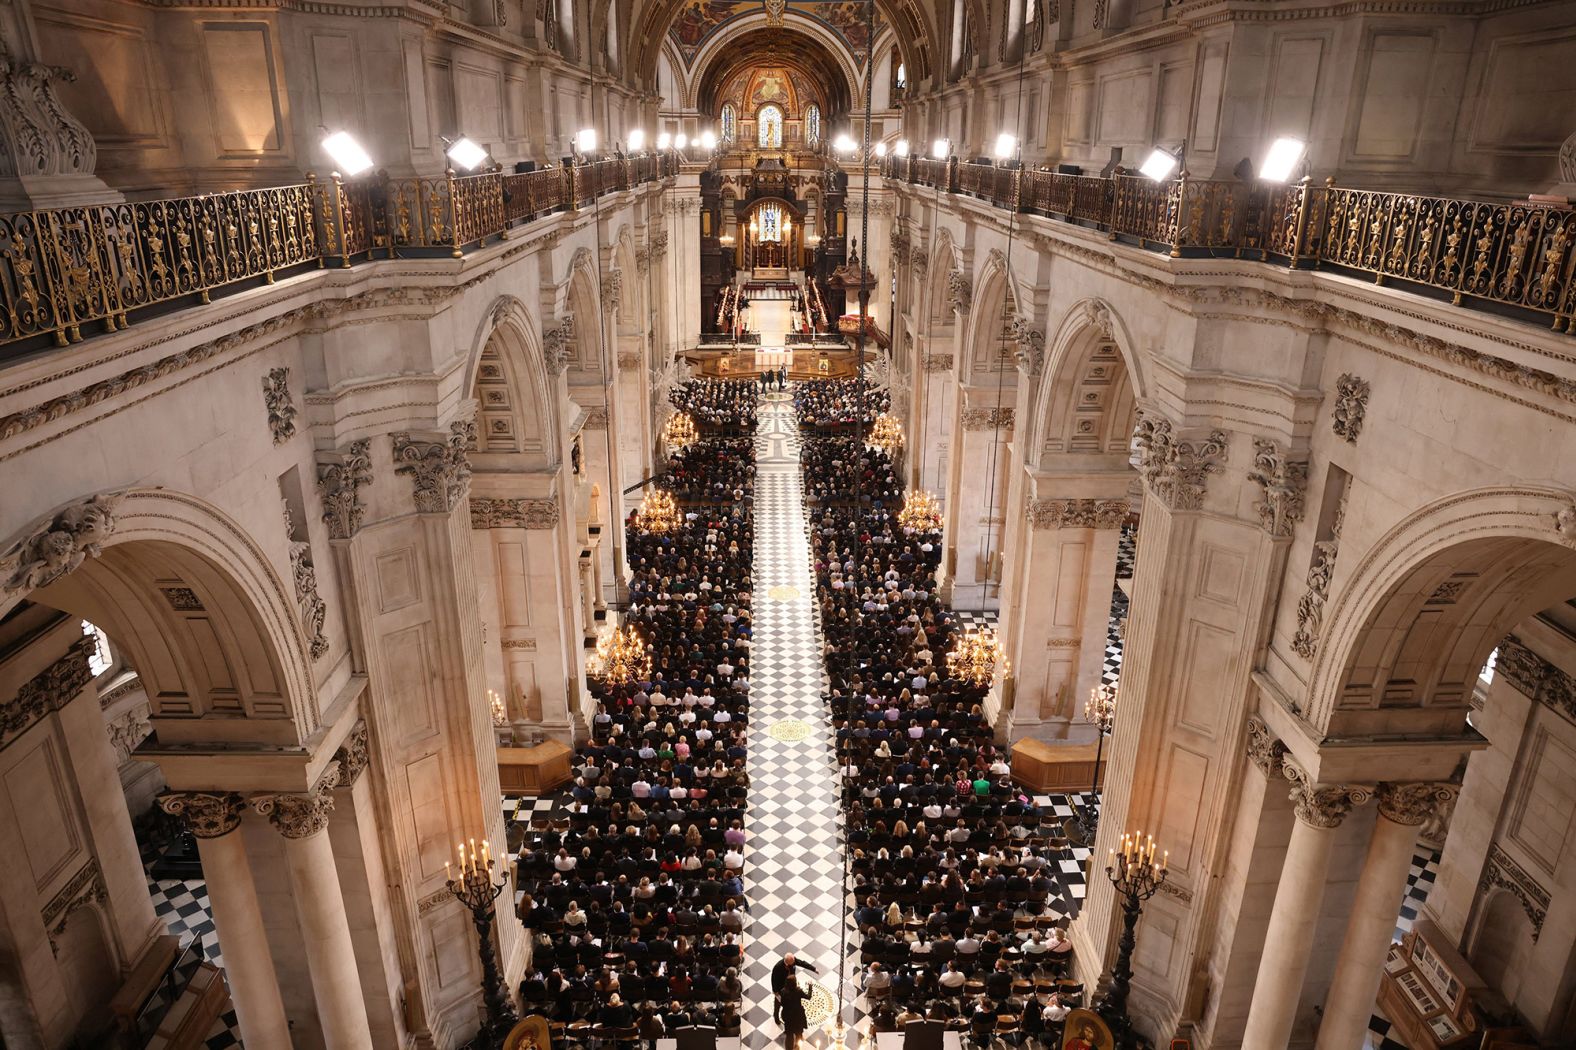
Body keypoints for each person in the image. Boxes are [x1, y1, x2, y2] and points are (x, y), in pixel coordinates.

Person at [771, 952, 818, 1024]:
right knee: (778, 1004)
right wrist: (776, 991)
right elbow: (774, 979)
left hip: (791, 985)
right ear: (787, 961)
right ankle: (776, 1017)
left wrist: (813, 969)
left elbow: (802, 963)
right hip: (781, 988)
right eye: (792, 963)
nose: (794, 963)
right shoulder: (778, 967)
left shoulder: (792, 960)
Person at [779, 970, 809, 1050]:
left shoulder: (783, 992)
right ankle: (797, 1047)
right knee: (798, 1033)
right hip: (797, 1016)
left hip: (788, 1016)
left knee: (789, 1035)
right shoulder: (798, 991)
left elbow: (782, 1003)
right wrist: (810, 987)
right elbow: (808, 997)